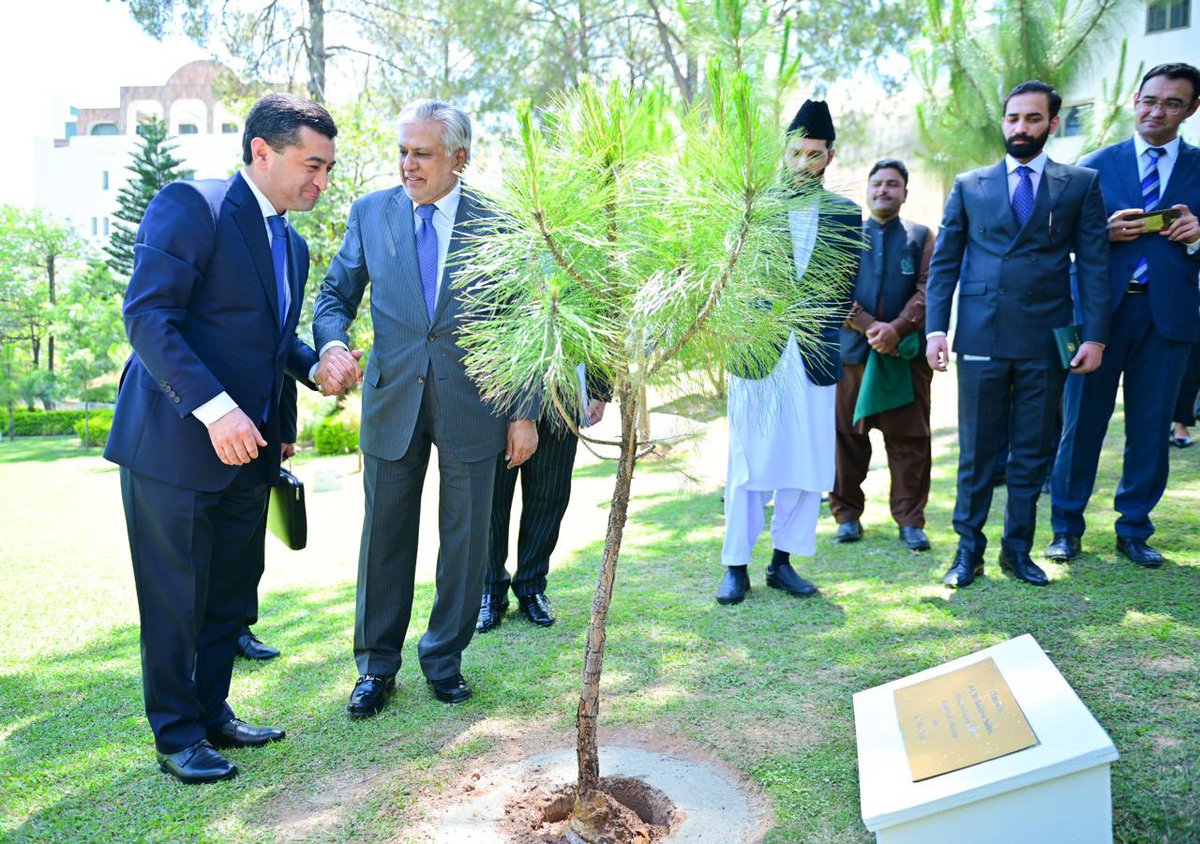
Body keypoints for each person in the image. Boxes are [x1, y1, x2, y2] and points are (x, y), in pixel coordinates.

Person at [104, 94, 343, 783]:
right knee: (176, 598)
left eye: (328, 169)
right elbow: (149, 318)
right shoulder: (192, 204)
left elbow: (273, 342)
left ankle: (212, 715)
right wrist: (215, 409)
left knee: (228, 597)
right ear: (261, 152)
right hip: (174, 450)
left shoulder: (292, 244)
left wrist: (314, 364)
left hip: (253, 454)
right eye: (312, 165)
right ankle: (177, 736)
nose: (321, 182)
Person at [313, 100, 539, 717]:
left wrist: (523, 411)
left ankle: (444, 657)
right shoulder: (370, 214)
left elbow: (522, 323)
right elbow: (335, 295)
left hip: (476, 404)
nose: (408, 165)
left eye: (423, 153)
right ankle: (375, 667)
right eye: (403, 152)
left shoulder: (500, 223)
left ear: (459, 159)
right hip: (393, 400)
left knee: (466, 541)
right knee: (384, 536)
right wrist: (332, 343)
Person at [925, 79, 1109, 589]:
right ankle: (968, 552)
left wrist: (1094, 336)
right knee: (977, 452)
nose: (1020, 128)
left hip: (1047, 339)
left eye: (1032, 119)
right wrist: (937, 328)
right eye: (1013, 119)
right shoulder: (970, 184)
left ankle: (1018, 551)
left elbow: (1094, 265)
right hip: (981, 336)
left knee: (1031, 450)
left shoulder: (1080, 184)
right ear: (1003, 123)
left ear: (1052, 123)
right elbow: (945, 266)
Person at [1047, 63, 1200, 568]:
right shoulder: (1092, 166)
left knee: (1152, 426)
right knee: (1080, 424)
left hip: (1169, 318)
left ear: (1191, 110)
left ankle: (1134, 528)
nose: (1158, 111)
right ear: (1134, 100)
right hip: (1096, 319)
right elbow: (1051, 245)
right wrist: (1099, 235)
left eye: (1172, 103)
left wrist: (1199, 237)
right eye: (1150, 100)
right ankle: (1066, 528)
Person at [716, 99, 861, 606]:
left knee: (808, 464)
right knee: (748, 466)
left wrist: (811, 321)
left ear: (830, 157)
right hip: (758, 354)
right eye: (796, 153)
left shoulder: (847, 214)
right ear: (784, 152)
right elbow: (730, 278)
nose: (803, 164)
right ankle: (736, 565)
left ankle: (783, 563)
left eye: (814, 155)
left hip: (815, 356)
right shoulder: (753, 206)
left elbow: (845, 288)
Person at [831, 158, 935, 552]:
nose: (883, 190)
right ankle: (846, 515)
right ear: (867, 189)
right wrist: (870, 325)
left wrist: (897, 329)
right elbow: (832, 290)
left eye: (892, 184)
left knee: (910, 441)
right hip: (852, 356)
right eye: (877, 184)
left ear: (905, 192)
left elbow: (930, 288)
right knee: (846, 440)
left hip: (905, 357)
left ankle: (910, 520)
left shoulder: (922, 236)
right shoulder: (845, 237)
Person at [477, 383, 608, 632]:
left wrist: (599, 391)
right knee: (489, 501)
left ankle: (532, 586)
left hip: (560, 396)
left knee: (549, 498)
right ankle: (490, 587)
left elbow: (605, 342)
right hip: (497, 395)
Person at [235, 376, 297, 661]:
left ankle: (240, 629)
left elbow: (282, 362)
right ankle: (194, 638)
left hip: (259, 434)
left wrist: (286, 431)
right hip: (193, 431)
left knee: (249, 544)